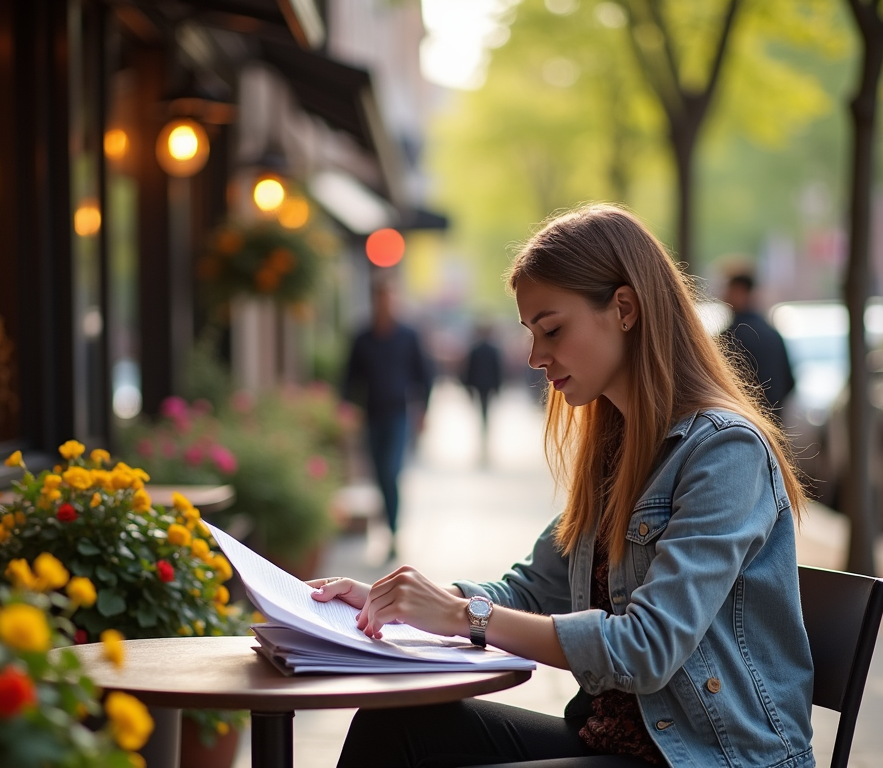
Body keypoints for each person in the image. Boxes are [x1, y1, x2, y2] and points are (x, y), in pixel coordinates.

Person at [313, 204, 815, 768]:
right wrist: (406, 602)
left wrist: (463, 618)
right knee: (395, 725)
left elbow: (647, 648)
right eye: (531, 333)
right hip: (619, 744)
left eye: (552, 329)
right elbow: (529, 591)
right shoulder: (621, 451)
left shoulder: (726, 452)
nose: (534, 357)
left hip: (704, 758)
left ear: (624, 308)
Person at [341, 279, 433, 561]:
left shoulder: (407, 336)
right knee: (379, 474)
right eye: (380, 298)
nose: (385, 303)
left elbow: (425, 374)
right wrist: (346, 410)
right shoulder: (362, 337)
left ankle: (392, 532)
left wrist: (424, 411)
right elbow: (348, 378)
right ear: (374, 301)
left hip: (398, 415)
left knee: (391, 472)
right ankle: (388, 528)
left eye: (389, 298)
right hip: (371, 415)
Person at [722, 271, 795, 413]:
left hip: (742, 417)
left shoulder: (731, 336)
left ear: (740, 292)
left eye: (728, 291)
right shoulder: (772, 333)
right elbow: (789, 382)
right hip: (773, 419)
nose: (724, 297)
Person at [461, 320, 504, 457]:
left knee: (482, 412)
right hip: (488, 385)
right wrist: (498, 387)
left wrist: (467, 386)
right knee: (485, 412)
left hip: (478, 385)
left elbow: (467, 370)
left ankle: (483, 437)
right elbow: (498, 370)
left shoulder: (475, 349)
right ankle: (484, 437)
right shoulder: (493, 350)